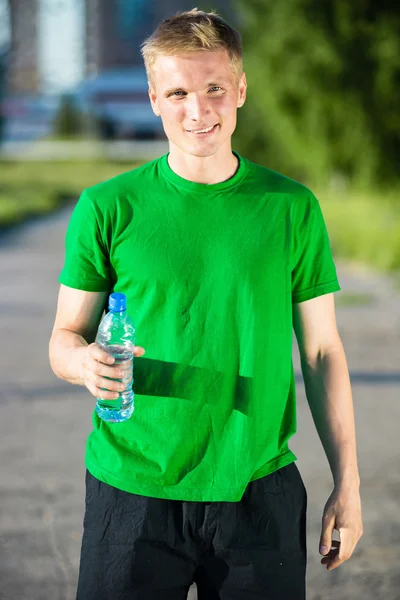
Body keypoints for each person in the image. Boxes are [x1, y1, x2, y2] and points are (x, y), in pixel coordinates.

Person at [49, 8, 363, 600]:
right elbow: (64, 338)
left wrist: (348, 484)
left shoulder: (290, 207)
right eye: (178, 93)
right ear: (153, 99)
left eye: (215, 88)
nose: (198, 111)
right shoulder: (108, 207)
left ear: (240, 89)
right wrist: (83, 362)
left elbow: (322, 352)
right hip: (133, 489)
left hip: (257, 489)